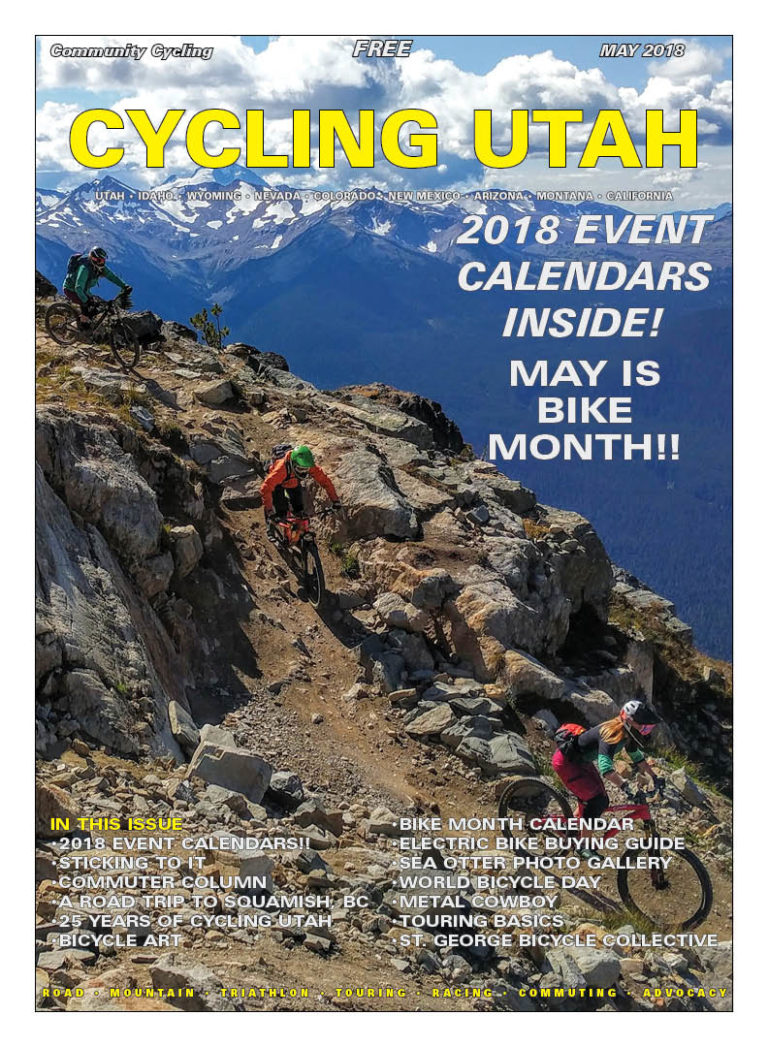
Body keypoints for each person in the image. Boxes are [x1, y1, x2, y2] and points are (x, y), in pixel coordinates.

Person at [552, 699, 663, 822]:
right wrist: (625, 786)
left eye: (649, 729)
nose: (646, 732)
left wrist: (655, 776)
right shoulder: (611, 735)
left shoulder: (627, 734)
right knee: (597, 801)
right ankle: (584, 841)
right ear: (630, 722)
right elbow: (606, 768)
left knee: (601, 799)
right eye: (645, 728)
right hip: (566, 762)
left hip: (580, 761)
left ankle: (571, 827)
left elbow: (637, 756)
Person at [260, 445, 342, 529]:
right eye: (300, 469)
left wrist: (335, 500)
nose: (303, 472)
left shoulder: (309, 465)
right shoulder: (281, 469)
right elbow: (266, 487)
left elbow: (325, 481)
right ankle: (270, 528)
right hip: (278, 484)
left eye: (306, 470)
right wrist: (269, 510)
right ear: (293, 463)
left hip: (293, 483)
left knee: (299, 510)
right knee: (280, 511)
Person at [63, 246, 132, 327]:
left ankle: (81, 322)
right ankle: (77, 327)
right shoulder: (84, 269)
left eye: (103, 260)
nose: (102, 263)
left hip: (84, 290)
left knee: (94, 308)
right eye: (100, 260)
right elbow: (78, 287)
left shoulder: (99, 267)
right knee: (86, 307)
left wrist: (124, 286)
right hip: (71, 290)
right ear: (94, 259)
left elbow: (112, 276)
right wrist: (86, 301)